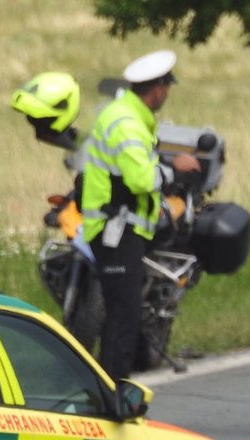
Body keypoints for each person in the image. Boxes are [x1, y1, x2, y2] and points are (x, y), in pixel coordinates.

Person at [80, 50, 200, 381]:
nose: (167, 94)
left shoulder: (128, 115)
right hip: (116, 230)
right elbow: (141, 179)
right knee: (123, 317)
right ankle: (114, 397)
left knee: (122, 315)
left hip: (119, 228)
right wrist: (174, 171)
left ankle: (111, 393)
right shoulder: (128, 124)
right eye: (167, 87)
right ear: (158, 88)